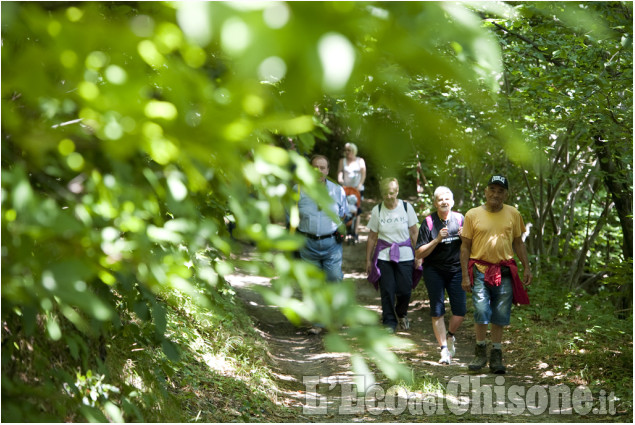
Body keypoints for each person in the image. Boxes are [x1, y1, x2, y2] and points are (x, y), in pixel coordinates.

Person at [460, 175, 533, 374]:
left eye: (500, 191)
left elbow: (518, 242)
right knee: (482, 310)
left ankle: (497, 355)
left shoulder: (513, 213)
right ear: (485, 191)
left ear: (506, 194)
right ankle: (480, 350)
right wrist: (465, 276)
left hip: (505, 271)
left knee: (501, 313)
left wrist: (527, 266)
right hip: (480, 270)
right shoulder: (472, 215)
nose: (495, 194)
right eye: (492, 189)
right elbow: (465, 247)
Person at [415, 186, 466, 365]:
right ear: (435, 203)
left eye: (447, 199)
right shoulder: (428, 222)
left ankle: (450, 336)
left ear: (452, 202)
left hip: (456, 271)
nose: (444, 202)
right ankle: (444, 349)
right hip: (434, 271)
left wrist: (465, 238)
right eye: (440, 199)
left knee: (460, 312)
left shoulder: (460, 219)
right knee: (437, 311)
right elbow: (419, 254)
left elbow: (472, 247)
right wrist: (436, 240)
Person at [366, 177, 421, 332]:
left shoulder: (406, 207)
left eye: (391, 192)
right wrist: (368, 260)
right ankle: (389, 322)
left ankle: (401, 312)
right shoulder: (377, 210)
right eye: (385, 193)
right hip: (384, 256)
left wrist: (419, 255)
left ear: (397, 191)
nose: (388, 196)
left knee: (405, 290)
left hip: (405, 255)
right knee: (387, 290)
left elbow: (414, 232)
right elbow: (371, 236)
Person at [297, 154, 349, 283]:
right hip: (308, 245)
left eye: (322, 168)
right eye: (315, 167)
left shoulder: (337, 190)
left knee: (334, 279)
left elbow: (343, 214)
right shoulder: (298, 190)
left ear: (327, 170)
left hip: (332, 245)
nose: (319, 171)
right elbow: (291, 217)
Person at [337, 143, 366, 243]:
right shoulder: (342, 161)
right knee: (344, 209)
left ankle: (356, 232)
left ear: (354, 151)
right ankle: (344, 231)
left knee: (357, 210)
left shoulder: (360, 161)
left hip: (357, 189)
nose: (347, 152)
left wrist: (360, 184)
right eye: (346, 150)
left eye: (349, 150)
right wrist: (340, 180)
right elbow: (340, 172)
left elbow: (363, 174)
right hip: (346, 189)